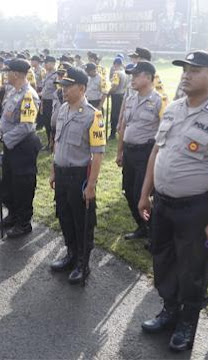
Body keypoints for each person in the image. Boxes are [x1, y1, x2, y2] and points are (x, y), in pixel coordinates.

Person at [138, 50, 208, 352]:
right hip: (163, 203)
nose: (186, 74)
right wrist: (145, 192)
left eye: (194, 70)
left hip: (197, 208)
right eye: (184, 69)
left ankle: (187, 322)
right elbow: (156, 152)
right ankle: (169, 309)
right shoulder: (172, 108)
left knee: (193, 268)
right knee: (163, 258)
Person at [49, 67, 106, 284]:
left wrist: (91, 185)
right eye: (62, 86)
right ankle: (71, 254)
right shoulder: (63, 109)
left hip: (79, 176)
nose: (63, 90)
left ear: (81, 88)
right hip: (62, 174)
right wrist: (54, 170)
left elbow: (98, 154)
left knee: (82, 221)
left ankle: (83, 263)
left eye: (68, 86)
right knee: (64, 216)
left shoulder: (93, 115)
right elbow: (57, 141)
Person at [0, 59, 42, 238]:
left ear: (17, 74)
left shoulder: (28, 95)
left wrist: (4, 138)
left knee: (23, 186)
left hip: (24, 146)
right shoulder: (13, 92)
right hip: (11, 145)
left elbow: (26, 126)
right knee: (8, 184)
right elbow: (5, 118)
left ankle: (23, 223)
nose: (5, 74)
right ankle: (12, 215)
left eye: (8, 71)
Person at [115, 61, 165, 241]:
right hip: (129, 152)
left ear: (148, 77)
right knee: (128, 191)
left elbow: (165, 134)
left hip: (146, 154)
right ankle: (142, 226)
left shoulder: (159, 101)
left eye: (136, 75)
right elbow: (123, 126)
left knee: (140, 194)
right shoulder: (130, 99)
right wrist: (119, 151)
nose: (132, 79)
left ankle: (154, 232)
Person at [40, 56, 58, 150]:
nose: (45, 65)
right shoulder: (46, 74)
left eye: (46, 63)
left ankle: (54, 144)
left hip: (53, 103)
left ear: (52, 63)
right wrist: (42, 104)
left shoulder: (57, 75)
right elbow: (44, 90)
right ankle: (49, 143)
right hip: (46, 101)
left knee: (53, 124)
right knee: (47, 123)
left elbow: (58, 92)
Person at [109, 57, 128, 140]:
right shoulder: (124, 72)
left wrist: (108, 93)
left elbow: (114, 86)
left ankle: (113, 133)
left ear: (115, 64)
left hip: (116, 95)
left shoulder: (116, 73)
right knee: (121, 114)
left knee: (114, 114)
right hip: (122, 94)